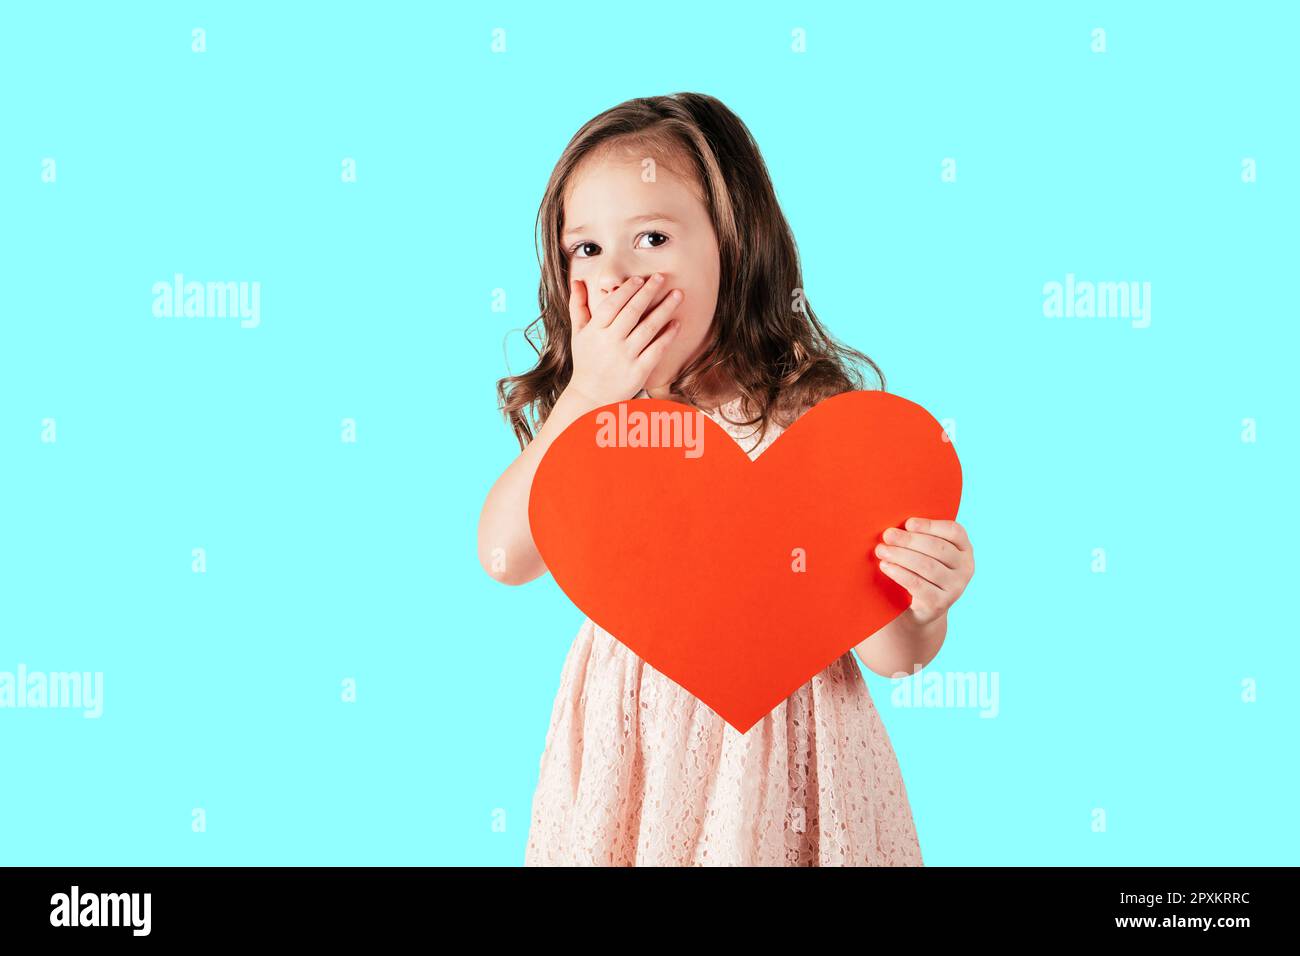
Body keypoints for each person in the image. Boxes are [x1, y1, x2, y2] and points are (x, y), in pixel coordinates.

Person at [477, 92, 975, 865]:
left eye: (651, 237)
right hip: (633, 756)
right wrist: (587, 392)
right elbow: (504, 554)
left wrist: (924, 601)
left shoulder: (811, 418)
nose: (617, 276)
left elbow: (890, 652)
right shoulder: (597, 429)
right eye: (587, 249)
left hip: (790, 759)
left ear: (734, 245)